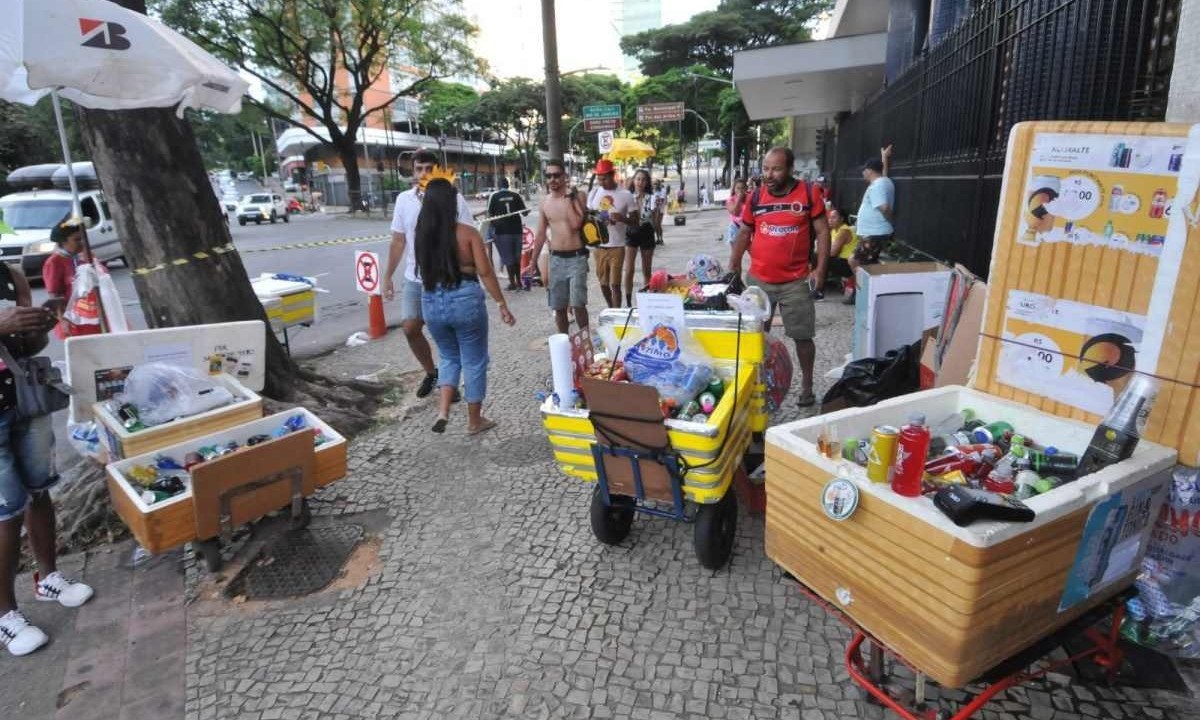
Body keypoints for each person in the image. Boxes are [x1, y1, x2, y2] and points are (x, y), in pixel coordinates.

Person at [0, 262, 93, 657]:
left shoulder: (10, 274)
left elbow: (28, 346)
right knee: (6, 512)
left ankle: (49, 577)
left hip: (25, 399)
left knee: (40, 491)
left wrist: (38, 325)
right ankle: (5, 614)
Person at [409, 179, 515, 435]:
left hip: (431, 301)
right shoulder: (468, 234)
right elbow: (486, 272)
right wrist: (502, 304)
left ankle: (443, 410)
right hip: (465, 299)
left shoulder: (422, 236)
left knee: (448, 357)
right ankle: (474, 421)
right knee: (474, 360)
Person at [729, 147, 830, 408]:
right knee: (751, 336)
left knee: (802, 337)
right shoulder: (755, 197)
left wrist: (820, 269)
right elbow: (743, 233)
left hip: (796, 281)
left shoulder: (809, 193)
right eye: (765, 168)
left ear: (790, 169)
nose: (769, 174)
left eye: (776, 169)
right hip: (759, 281)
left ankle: (807, 388)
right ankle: (752, 388)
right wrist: (734, 265)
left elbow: (822, 232)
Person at [384, 150, 475, 400]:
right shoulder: (404, 200)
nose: (423, 174)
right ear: (412, 171)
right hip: (415, 277)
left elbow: (469, 236)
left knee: (447, 332)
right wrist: (387, 276)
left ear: (437, 169)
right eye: (418, 169)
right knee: (410, 327)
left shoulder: (454, 198)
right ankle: (432, 372)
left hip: (446, 276)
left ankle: (452, 382)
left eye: (427, 168)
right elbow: (398, 240)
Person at [530, 159, 589, 334]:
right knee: (559, 306)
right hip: (556, 260)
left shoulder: (578, 196)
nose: (552, 180)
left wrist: (569, 198)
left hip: (577, 258)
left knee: (578, 304)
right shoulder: (544, 202)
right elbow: (540, 234)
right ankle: (565, 345)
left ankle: (586, 344)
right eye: (549, 176)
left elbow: (576, 224)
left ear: (565, 177)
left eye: (556, 175)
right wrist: (533, 263)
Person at [849, 145, 895, 303]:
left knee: (854, 261)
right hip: (874, 232)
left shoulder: (878, 185)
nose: (863, 173)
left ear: (869, 170)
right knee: (870, 264)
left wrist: (888, 218)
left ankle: (864, 293)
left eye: (864, 170)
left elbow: (884, 207)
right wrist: (884, 158)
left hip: (874, 233)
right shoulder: (884, 181)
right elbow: (884, 173)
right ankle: (867, 293)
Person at [41, 218, 101, 340]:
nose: (82, 243)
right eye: (76, 239)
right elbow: (55, 296)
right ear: (63, 242)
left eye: (83, 238)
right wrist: (63, 320)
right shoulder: (54, 262)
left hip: (96, 312)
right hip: (74, 318)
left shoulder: (88, 256)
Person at [587, 159, 634, 309]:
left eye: (604, 178)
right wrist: (597, 219)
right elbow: (588, 216)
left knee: (615, 284)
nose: (601, 182)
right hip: (599, 246)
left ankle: (617, 314)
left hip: (617, 246)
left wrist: (623, 219)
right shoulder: (594, 192)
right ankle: (611, 308)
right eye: (599, 178)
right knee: (603, 284)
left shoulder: (625, 194)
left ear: (613, 174)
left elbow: (635, 222)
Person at [485, 179, 529, 290]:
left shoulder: (494, 196)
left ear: (498, 185)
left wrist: (493, 226)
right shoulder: (515, 195)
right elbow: (524, 212)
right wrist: (527, 211)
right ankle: (519, 282)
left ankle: (512, 283)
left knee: (507, 258)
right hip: (517, 230)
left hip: (502, 232)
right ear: (508, 185)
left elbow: (489, 214)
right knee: (516, 257)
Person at [622, 169, 658, 306]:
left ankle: (646, 301)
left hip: (647, 232)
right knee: (629, 269)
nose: (640, 182)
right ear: (633, 180)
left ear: (647, 182)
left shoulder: (652, 198)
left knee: (646, 270)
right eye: (638, 179)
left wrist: (656, 230)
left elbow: (655, 220)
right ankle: (628, 301)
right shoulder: (627, 197)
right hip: (631, 232)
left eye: (643, 179)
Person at [824, 207, 859, 303]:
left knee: (822, 259)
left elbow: (832, 252)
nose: (830, 220)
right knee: (817, 256)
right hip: (841, 261)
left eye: (834, 217)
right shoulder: (833, 230)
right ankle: (818, 286)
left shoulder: (844, 231)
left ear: (842, 219)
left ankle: (819, 289)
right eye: (829, 217)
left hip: (848, 263)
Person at [723, 178, 747, 244]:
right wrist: (739, 199)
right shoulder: (730, 200)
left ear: (746, 189)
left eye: (742, 188)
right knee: (736, 253)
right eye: (738, 188)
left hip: (747, 228)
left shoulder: (749, 198)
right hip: (735, 227)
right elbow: (735, 213)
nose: (740, 190)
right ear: (734, 189)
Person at [652, 180, 666, 245]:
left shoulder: (662, 191)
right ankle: (657, 238)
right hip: (654, 209)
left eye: (656, 184)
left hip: (660, 209)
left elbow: (662, 200)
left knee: (658, 224)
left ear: (659, 184)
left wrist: (657, 204)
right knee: (654, 225)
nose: (654, 185)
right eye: (653, 184)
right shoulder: (652, 191)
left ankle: (660, 239)